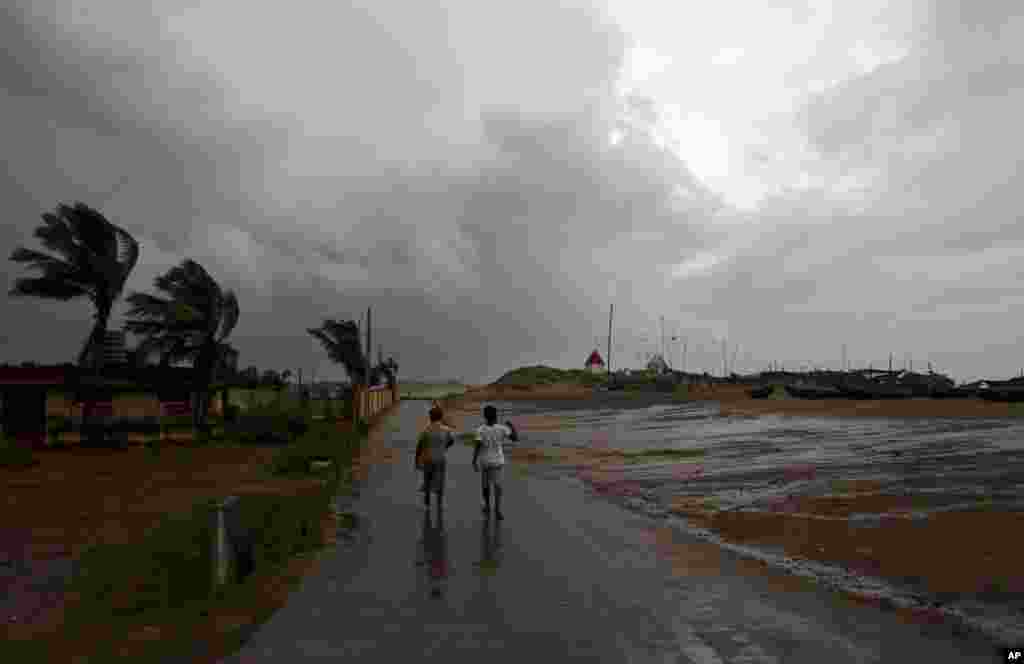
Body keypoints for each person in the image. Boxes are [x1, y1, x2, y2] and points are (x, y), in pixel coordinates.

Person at [472, 405, 518, 520]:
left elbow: (477, 446)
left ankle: (487, 506)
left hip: (485, 461)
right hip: (497, 461)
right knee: (497, 486)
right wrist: (512, 426)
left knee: (485, 486)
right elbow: (515, 438)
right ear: (496, 415)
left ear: (484, 416)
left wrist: (474, 460)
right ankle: (497, 510)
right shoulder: (502, 428)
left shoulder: (480, 430)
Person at [415, 406, 455, 510]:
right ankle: (439, 504)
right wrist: (444, 447)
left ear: (430, 417)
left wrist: (416, 460)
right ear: (441, 417)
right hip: (440, 459)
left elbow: (419, 446)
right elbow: (451, 441)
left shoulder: (426, 430)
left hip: (428, 459)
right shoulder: (446, 430)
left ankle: (427, 503)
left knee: (427, 480)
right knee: (440, 481)